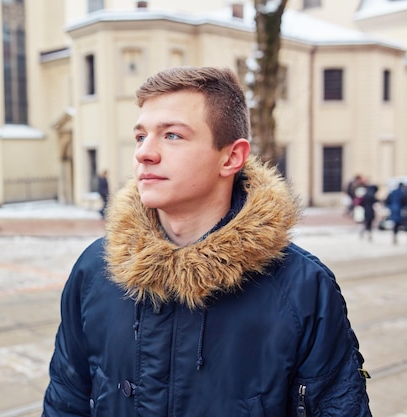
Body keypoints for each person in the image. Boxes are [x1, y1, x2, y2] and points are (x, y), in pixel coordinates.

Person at [42, 66, 371, 416]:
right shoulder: (95, 270)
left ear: (231, 157)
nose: (144, 153)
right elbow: (66, 400)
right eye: (141, 136)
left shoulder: (302, 289)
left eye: (172, 136)